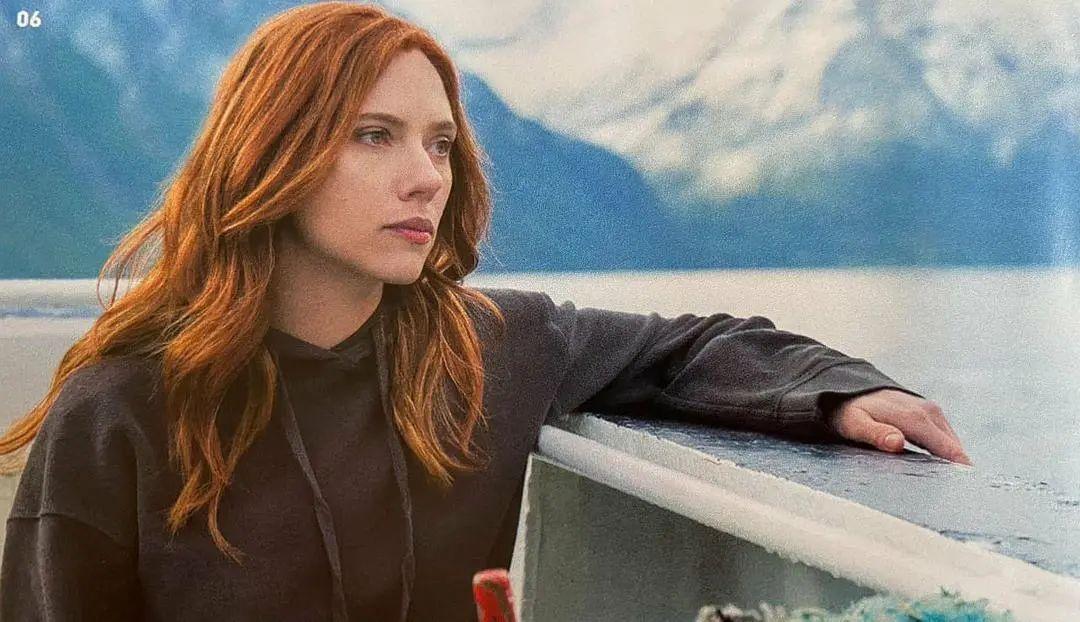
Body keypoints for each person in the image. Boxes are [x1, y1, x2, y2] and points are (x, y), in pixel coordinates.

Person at [0, 2, 971, 620]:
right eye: (374, 136)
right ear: (270, 154)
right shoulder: (122, 407)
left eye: (439, 143)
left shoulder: (489, 350)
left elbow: (687, 349)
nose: (427, 176)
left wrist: (840, 392)